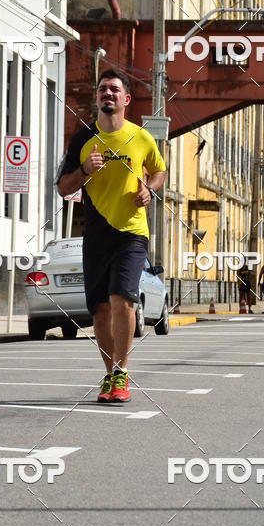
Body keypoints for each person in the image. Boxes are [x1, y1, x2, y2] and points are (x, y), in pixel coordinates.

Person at [57, 69, 166, 402]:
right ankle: (109, 375)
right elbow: (63, 188)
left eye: (114, 90)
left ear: (126, 99)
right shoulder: (82, 139)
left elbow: (159, 170)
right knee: (100, 311)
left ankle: (121, 373)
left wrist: (149, 189)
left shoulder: (141, 137)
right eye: (103, 89)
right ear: (97, 97)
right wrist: (84, 171)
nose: (108, 93)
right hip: (96, 236)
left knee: (123, 300)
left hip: (132, 233)